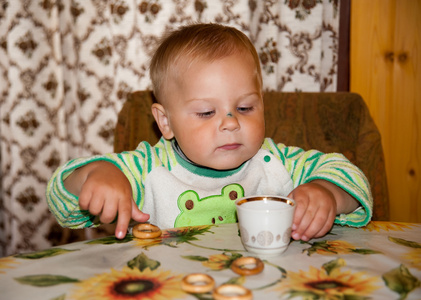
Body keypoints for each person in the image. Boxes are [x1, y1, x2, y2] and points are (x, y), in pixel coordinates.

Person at [46, 23, 372, 242]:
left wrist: (326, 192)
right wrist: (99, 174)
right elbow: (62, 202)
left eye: (245, 108)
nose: (230, 122)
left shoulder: (277, 162)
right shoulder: (147, 171)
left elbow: (352, 179)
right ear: (166, 122)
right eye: (206, 112)